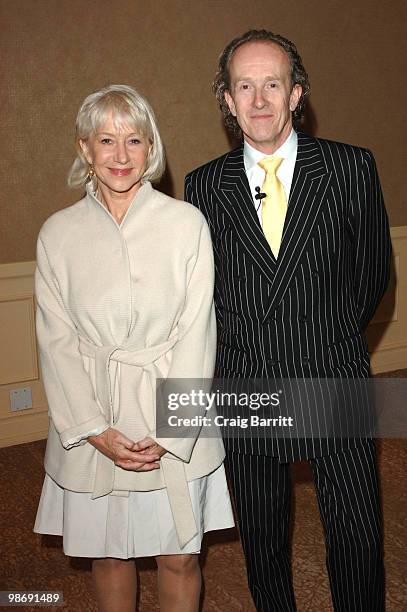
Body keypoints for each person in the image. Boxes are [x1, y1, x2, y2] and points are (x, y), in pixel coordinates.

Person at [185, 30, 391, 611]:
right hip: (248, 387)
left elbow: (374, 274)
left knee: (356, 537)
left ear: (296, 93)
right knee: (265, 542)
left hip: (335, 376)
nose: (259, 100)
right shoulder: (203, 187)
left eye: (271, 84)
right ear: (226, 100)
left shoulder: (350, 167)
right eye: (244, 86)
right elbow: (205, 294)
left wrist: (327, 337)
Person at [33, 84, 234, 612]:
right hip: (95, 415)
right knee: (110, 554)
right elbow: (56, 341)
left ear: (152, 148)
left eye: (135, 140)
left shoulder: (186, 224)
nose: (120, 156)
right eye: (106, 140)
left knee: (180, 556)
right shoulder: (57, 234)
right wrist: (93, 430)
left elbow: (198, 329)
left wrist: (173, 430)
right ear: (84, 149)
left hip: (173, 411)